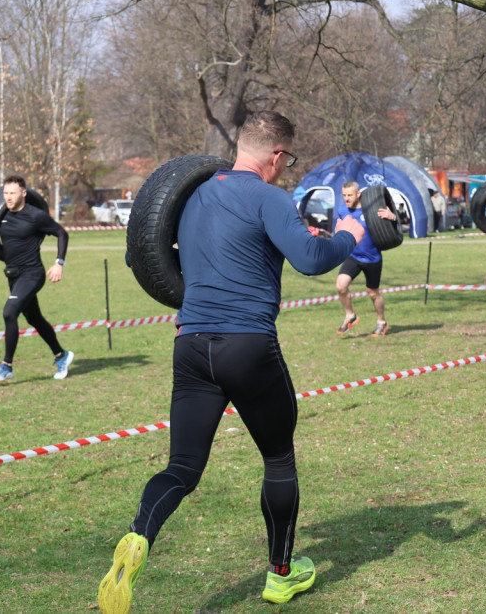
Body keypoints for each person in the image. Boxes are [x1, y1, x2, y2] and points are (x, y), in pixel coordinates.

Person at [97, 111, 365, 613]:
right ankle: (281, 575)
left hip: (192, 343)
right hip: (248, 345)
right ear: (278, 156)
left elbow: (142, 256)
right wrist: (348, 234)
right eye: (288, 162)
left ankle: (138, 537)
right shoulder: (269, 196)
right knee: (278, 458)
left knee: (181, 467)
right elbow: (310, 258)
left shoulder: (191, 196)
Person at [0, 175, 74, 382]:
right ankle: (62, 355)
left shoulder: (36, 216)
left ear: (23, 193)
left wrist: (59, 263)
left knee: (10, 312)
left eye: (12, 193)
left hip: (32, 274)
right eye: (5, 193)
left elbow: (62, 233)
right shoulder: (1, 215)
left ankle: (6, 366)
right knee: (34, 318)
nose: (8, 197)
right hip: (13, 275)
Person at [334, 181, 397, 337]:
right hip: (353, 256)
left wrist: (392, 217)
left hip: (372, 258)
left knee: (373, 293)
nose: (346, 198)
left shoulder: (372, 209)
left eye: (350, 195)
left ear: (358, 194)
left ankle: (382, 321)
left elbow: (393, 225)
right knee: (341, 286)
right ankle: (350, 315)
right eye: (344, 195)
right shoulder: (342, 210)